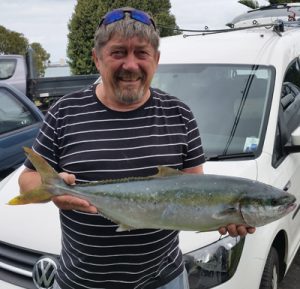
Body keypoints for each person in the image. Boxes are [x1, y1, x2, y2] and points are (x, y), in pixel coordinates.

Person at [18, 7, 255, 289]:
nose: (130, 65)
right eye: (118, 53)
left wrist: (226, 216)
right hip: (81, 283)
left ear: (155, 59)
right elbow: (27, 181)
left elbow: (196, 188)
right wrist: (56, 191)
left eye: (141, 53)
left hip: (163, 280)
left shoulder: (179, 114)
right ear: (97, 59)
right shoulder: (64, 113)